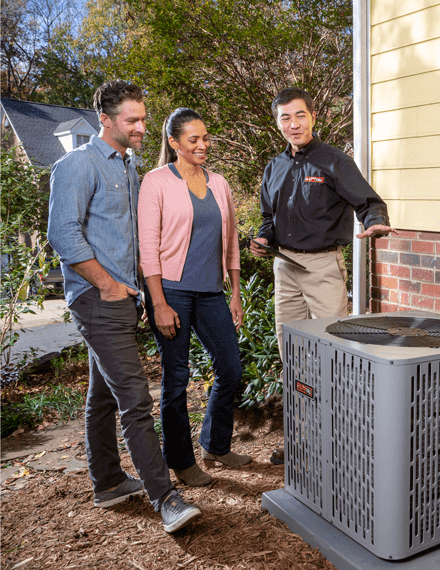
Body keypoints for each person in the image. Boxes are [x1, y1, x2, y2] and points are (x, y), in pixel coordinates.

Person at [47, 81, 201, 533]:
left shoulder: (128, 166)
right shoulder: (77, 166)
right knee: (135, 399)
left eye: (143, 119)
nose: (141, 127)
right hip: (99, 300)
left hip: (123, 297)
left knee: (102, 397)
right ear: (106, 121)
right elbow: (64, 234)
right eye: (132, 120)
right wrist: (109, 285)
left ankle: (109, 482)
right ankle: (165, 498)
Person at [250, 87, 398, 464]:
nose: (293, 124)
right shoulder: (274, 167)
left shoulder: (334, 161)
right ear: (277, 122)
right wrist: (263, 237)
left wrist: (375, 222)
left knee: (334, 351)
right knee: (293, 355)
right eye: (285, 117)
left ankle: (342, 438)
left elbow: (369, 202)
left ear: (313, 117)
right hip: (284, 267)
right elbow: (269, 218)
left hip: (322, 268)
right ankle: (302, 437)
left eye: (299, 115)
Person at [138, 108, 251, 488]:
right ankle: (182, 462)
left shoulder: (218, 182)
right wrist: (158, 302)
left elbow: (231, 239)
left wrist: (235, 293)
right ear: (173, 143)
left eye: (205, 138)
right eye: (193, 140)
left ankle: (215, 445)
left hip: (211, 292)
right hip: (171, 291)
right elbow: (148, 248)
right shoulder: (155, 182)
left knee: (231, 368)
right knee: (176, 379)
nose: (203, 145)